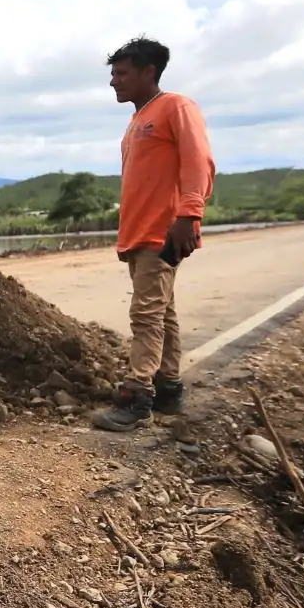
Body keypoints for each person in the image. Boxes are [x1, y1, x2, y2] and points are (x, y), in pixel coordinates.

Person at [92, 37, 216, 432]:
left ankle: (137, 396)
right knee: (163, 311)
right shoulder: (137, 118)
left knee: (146, 314)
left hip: (162, 230)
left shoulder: (176, 107)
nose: (114, 81)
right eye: (112, 74)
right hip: (139, 231)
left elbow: (199, 160)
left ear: (150, 72)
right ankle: (168, 388)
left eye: (122, 73)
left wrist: (189, 214)